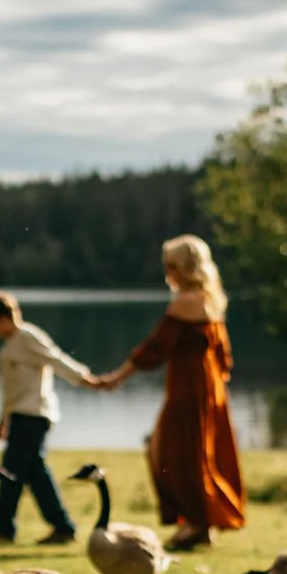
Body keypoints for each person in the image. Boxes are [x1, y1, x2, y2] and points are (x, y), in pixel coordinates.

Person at [94, 235, 246, 550]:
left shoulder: (187, 301)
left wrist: (118, 377)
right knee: (182, 452)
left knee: (176, 454)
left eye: (170, 265)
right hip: (204, 386)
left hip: (190, 388)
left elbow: (156, 347)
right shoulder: (209, 298)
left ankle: (196, 523)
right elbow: (222, 354)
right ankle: (200, 523)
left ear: (184, 267)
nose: (167, 272)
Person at [0, 291, 99, 544]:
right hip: (21, 414)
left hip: (33, 415)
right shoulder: (12, 344)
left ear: (2, 319)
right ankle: (62, 527)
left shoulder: (26, 337)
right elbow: (11, 390)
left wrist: (84, 378)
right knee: (35, 473)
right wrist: (3, 419)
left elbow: (55, 359)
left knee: (11, 471)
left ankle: (4, 528)